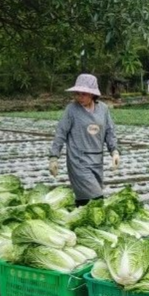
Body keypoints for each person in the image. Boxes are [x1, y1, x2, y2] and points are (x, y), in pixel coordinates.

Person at [49, 74, 120, 206]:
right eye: (77, 94)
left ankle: (81, 223)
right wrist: (54, 157)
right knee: (96, 200)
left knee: (85, 201)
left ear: (92, 94)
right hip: (79, 161)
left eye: (83, 94)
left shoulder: (103, 109)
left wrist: (114, 151)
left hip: (97, 161)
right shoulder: (72, 110)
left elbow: (109, 131)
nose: (79, 97)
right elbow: (61, 133)